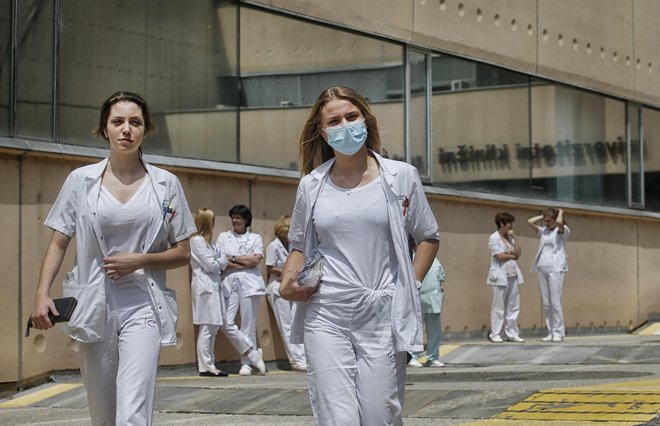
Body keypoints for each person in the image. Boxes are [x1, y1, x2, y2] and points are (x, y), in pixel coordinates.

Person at [29, 91, 197, 425]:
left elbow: (183, 252)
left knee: (133, 409)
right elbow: (59, 241)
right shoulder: (81, 181)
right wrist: (41, 293)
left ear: (145, 130)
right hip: (94, 305)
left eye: (135, 122)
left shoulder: (165, 185)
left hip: (144, 304)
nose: (126, 129)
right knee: (103, 412)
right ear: (104, 129)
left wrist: (139, 260)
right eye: (117, 121)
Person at [279, 85, 440, 426]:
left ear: (365, 119)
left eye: (351, 117)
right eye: (334, 121)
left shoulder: (400, 177)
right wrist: (286, 283)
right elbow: (298, 244)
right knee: (338, 418)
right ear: (323, 132)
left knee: (379, 415)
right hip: (326, 312)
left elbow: (427, 237)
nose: (345, 125)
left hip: (382, 310)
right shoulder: (312, 185)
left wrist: (409, 283)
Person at [216, 204, 267, 376]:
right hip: (229, 284)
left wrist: (235, 258)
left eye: (239, 217)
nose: (235, 220)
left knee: (248, 324)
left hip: (250, 284)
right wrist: (243, 261)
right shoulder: (224, 237)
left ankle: (246, 364)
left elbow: (255, 261)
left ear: (246, 220)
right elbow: (222, 261)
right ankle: (252, 354)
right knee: (226, 321)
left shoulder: (255, 238)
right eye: (233, 217)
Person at [190, 208, 230, 377]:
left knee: (213, 326)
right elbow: (211, 265)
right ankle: (206, 366)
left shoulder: (210, 243)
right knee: (207, 326)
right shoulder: (197, 241)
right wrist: (219, 262)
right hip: (205, 287)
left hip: (213, 286)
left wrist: (219, 262)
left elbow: (224, 261)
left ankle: (209, 364)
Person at [265, 215, 307, 371]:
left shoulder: (291, 247)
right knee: (286, 325)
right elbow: (270, 268)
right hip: (277, 288)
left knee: (295, 322)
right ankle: (296, 360)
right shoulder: (273, 246)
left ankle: (303, 357)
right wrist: (288, 271)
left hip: (291, 286)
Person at [528, 208, 571, 343]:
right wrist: (543, 216)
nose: (545, 223)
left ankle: (558, 331)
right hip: (542, 267)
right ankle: (550, 331)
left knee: (555, 301)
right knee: (546, 303)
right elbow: (529, 222)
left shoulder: (562, 231)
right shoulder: (544, 231)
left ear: (555, 219)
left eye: (548, 220)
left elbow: (559, 223)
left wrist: (560, 213)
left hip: (556, 268)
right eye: (544, 221)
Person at [487, 212, 525, 343]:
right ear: (502, 224)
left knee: (513, 306)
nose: (511, 226)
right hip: (499, 277)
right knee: (498, 306)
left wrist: (515, 238)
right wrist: (511, 255)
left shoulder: (510, 238)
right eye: (509, 224)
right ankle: (495, 333)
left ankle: (512, 333)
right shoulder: (493, 238)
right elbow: (499, 256)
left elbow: (518, 254)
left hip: (513, 275)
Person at [408, 257, 446, 367]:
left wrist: (441, 295)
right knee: (416, 330)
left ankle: (433, 357)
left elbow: (442, 279)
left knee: (434, 331)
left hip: (434, 299)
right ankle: (413, 356)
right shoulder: (413, 257)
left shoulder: (436, 260)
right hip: (419, 299)